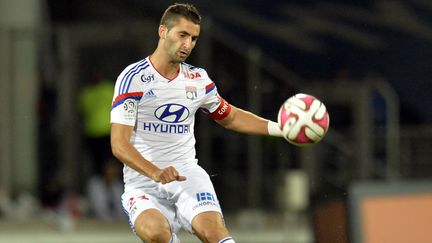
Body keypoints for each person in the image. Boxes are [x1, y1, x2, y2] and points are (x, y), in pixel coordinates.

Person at [110, 3, 283, 243]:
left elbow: (229, 116)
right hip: (144, 183)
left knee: (213, 232)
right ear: (162, 31)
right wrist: (156, 172)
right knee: (156, 234)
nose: (188, 45)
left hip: (186, 175)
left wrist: (280, 129)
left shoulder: (198, 79)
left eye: (193, 38)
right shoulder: (133, 78)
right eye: (182, 35)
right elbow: (119, 144)